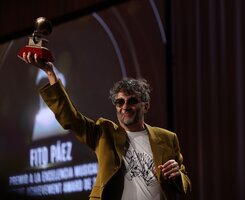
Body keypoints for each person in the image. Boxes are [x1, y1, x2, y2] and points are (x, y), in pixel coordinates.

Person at [21, 52, 191, 200]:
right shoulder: (104, 133)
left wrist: (177, 176)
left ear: (146, 106)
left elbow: (185, 184)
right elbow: (71, 118)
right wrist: (50, 72)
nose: (125, 106)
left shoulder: (167, 139)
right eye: (119, 102)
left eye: (132, 101)